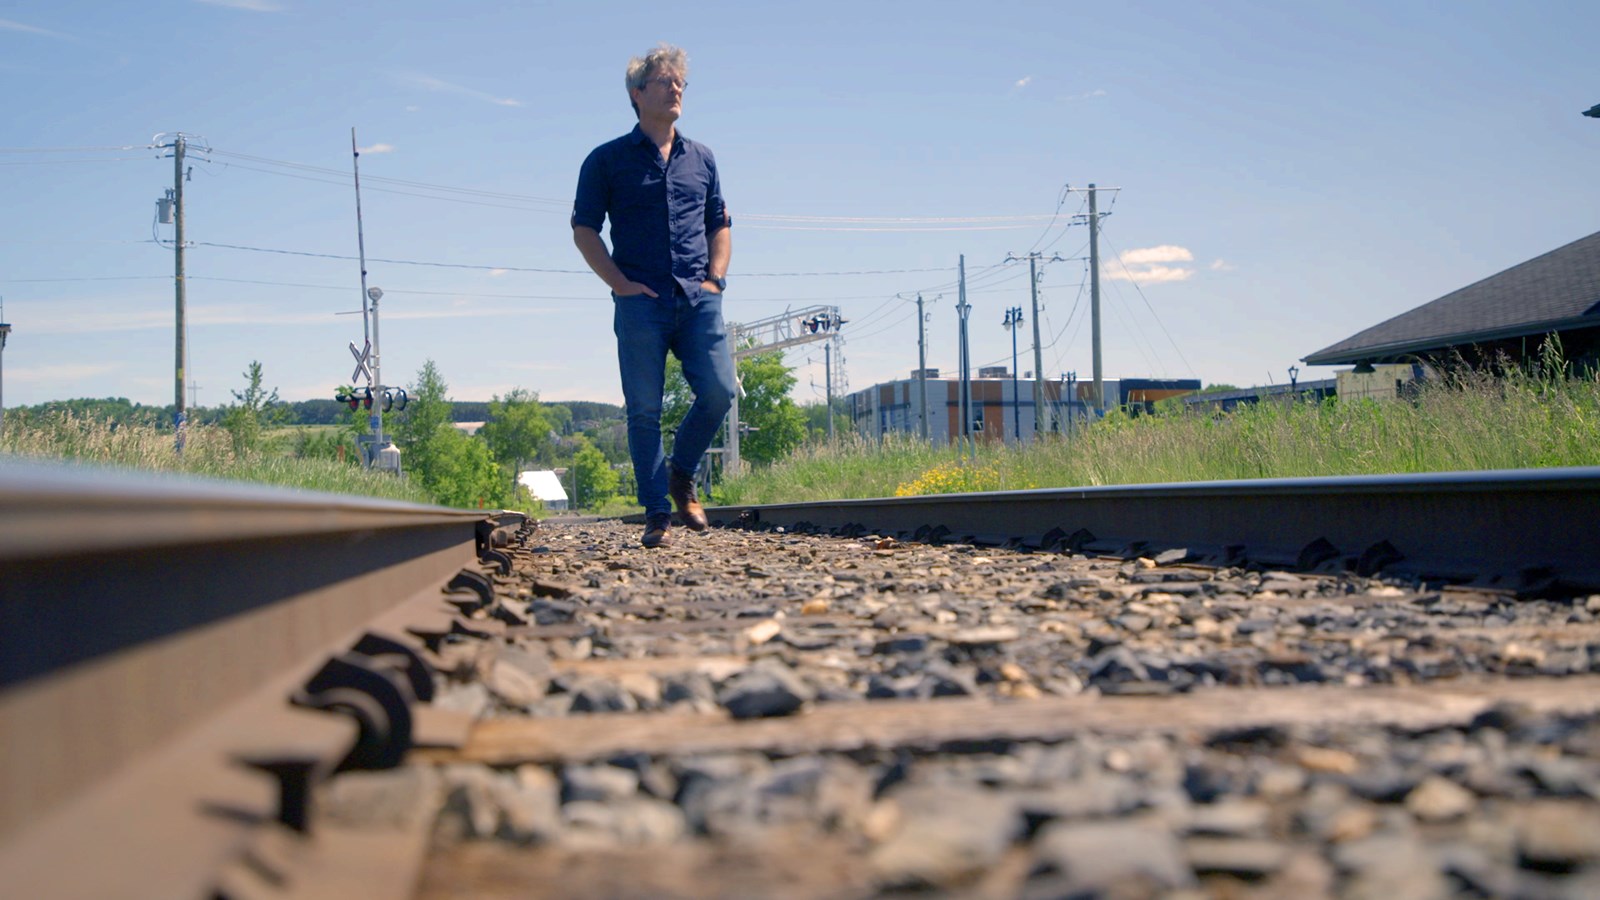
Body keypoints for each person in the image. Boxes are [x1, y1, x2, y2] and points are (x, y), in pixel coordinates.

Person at [572, 43, 736, 548]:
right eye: (665, 81)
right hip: (640, 302)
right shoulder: (606, 160)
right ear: (638, 94)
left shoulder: (701, 158)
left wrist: (716, 279)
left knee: (719, 391)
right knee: (643, 410)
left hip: (697, 298)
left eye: (680, 82)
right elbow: (584, 229)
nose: (676, 88)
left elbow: (720, 224)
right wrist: (619, 284)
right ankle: (656, 514)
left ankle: (680, 475)